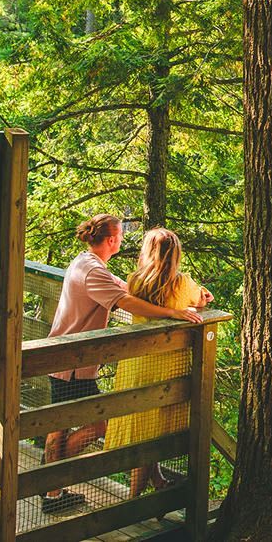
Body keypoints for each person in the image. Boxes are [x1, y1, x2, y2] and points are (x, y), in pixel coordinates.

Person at [41, 214, 201, 514]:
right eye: (121, 236)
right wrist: (172, 312)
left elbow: (126, 290)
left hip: (70, 358)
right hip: (71, 363)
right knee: (90, 424)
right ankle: (50, 483)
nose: (125, 240)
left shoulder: (88, 263)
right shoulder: (93, 272)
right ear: (112, 239)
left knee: (61, 424)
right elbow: (127, 302)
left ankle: (52, 482)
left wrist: (176, 294)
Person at [104, 227, 213, 499]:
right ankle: (132, 502)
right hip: (167, 365)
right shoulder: (183, 283)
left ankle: (156, 483)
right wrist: (203, 300)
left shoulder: (135, 281)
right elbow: (196, 303)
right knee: (153, 432)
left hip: (137, 362)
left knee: (143, 427)